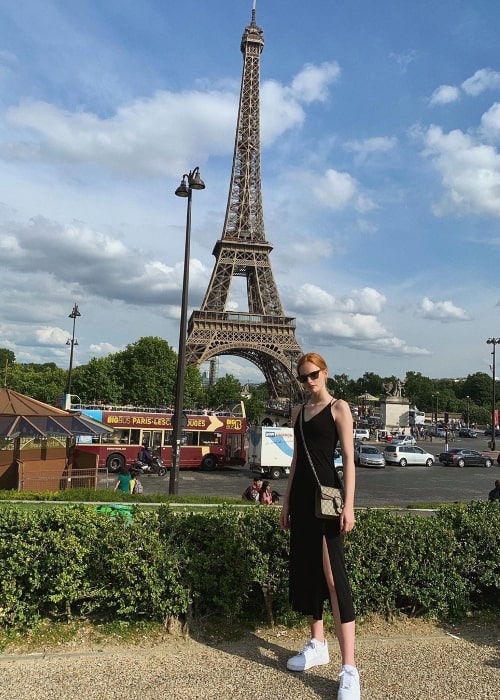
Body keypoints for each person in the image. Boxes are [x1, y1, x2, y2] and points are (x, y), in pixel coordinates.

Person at [279, 352, 360, 700]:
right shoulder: (298, 413)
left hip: (327, 500)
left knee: (332, 577)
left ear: (325, 373)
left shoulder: (340, 408)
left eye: (313, 375)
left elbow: (350, 461)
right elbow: (296, 459)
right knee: (309, 571)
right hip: (301, 498)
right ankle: (317, 642)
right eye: (303, 378)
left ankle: (350, 668)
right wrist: (284, 501)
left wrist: (350, 505)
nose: (308, 382)